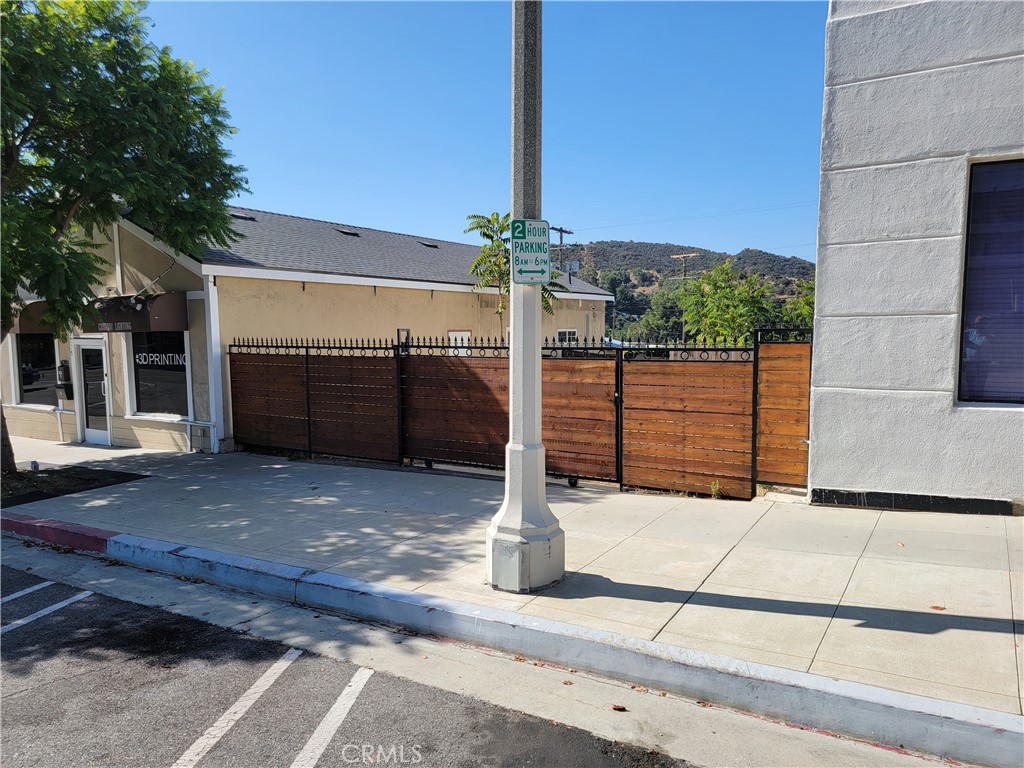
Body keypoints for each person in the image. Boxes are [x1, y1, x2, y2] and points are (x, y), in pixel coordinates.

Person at [962, 315, 991, 399]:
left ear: (985, 324)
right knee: (970, 384)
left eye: (978, 323)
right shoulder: (968, 333)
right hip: (971, 364)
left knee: (981, 385)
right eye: (975, 323)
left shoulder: (989, 336)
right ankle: (971, 399)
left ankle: (979, 400)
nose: (976, 325)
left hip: (983, 364)